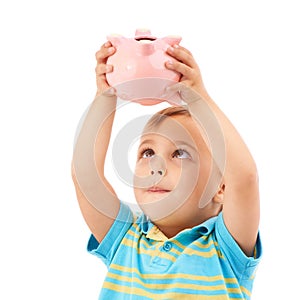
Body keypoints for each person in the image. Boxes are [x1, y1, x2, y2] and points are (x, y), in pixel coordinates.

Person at [72, 41, 262, 299]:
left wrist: (199, 98)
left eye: (180, 153)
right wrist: (106, 95)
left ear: (221, 187)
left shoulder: (225, 249)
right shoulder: (125, 238)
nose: (156, 166)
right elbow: (86, 175)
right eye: (148, 152)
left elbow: (245, 179)